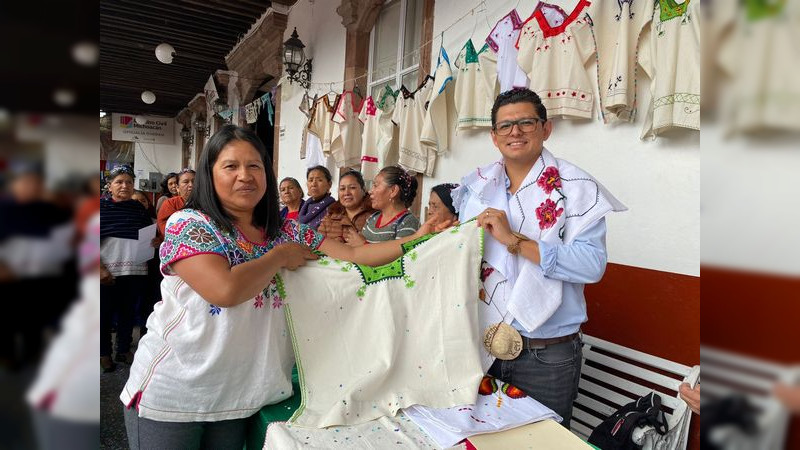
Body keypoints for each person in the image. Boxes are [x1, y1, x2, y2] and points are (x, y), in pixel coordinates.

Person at [120, 125, 443, 449]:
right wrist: (278, 258)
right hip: (174, 391)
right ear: (210, 174)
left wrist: (419, 237)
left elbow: (357, 255)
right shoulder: (191, 223)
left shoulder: (287, 229)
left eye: (254, 166)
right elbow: (225, 290)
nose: (245, 175)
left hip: (237, 397)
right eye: (231, 166)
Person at [454, 88, 625, 427]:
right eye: (505, 126)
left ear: (546, 129)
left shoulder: (575, 188)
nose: (515, 132)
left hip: (547, 354)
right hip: (482, 341)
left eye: (526, 122)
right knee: (485, 440)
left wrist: (515, 241)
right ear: (493, 136)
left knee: (543, 442)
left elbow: (592, 266)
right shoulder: (476, 188)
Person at [100, 166, 156, 372]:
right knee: (103, 313)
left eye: (129, 182)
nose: (125, 186)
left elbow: (147, 234)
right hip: (106, 271)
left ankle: (123, 349)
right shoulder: (98, 207)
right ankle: (103, 353)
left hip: (134, 270)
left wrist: (155, 241)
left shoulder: (137, 208)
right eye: (119, 182)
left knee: (127, 312)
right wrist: (99, 268)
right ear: (110, 185)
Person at [351, 165, 420, 244]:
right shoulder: (373, 218)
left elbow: (400, 255)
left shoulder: (408, 222)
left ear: (393, 191)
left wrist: (363, 245)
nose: (370, 191)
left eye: (375, 186)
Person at [318, 170, 376, 244]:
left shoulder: (374, 216)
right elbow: (318, 246)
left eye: (352, 187)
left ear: (363, 190)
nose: (346, 193)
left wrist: (363, 244)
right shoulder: (330, 217)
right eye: (342, 189)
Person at [156, 168, 195, 237]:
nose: (191, 185)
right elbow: (163, 227)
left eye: (194, 181)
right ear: (177, 187)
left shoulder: (206, 204)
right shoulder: (170, 204)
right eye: (186, 182)